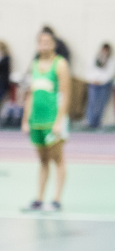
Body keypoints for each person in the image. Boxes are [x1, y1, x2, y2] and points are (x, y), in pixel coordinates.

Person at [21, 29, 71, 212]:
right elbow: (30, 95)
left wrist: (59, 120)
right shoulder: (34, 65)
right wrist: (26, 120)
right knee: (42, 160)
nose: (44, 45)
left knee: (57, 159)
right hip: (37, 120)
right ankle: (39, 199)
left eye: (48, 42)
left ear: (53, 44)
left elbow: (65, 94)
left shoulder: (60, 64)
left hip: (53, 120)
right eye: (41, 42)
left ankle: (56, 199)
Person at [84, 43, 115, 129]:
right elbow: (89, 70)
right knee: (92, 103)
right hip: (93, 84)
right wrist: (93, 80)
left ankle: (97, 122)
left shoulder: (111, 61)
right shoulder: (94, 59)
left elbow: (110, 74)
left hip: (104, 85)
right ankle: (90, 122)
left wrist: (101, 81)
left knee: (101, 104)